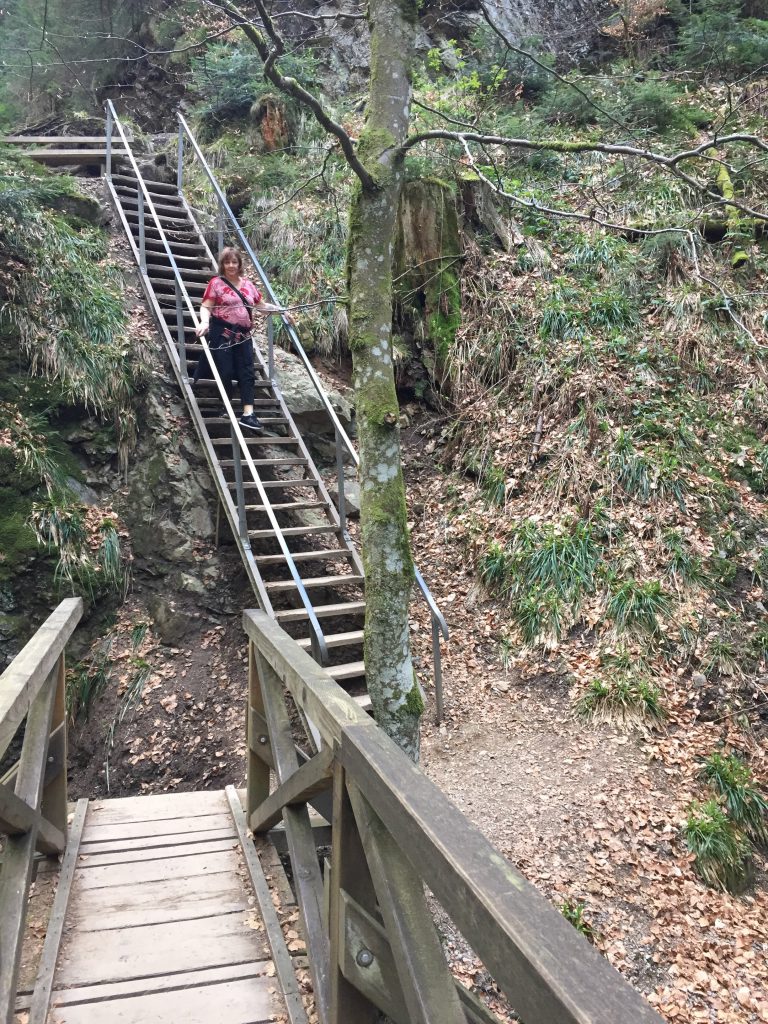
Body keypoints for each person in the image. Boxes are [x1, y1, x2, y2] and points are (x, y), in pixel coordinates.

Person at [195, 247, 292, 434]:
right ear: (222, 265)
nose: (231, 265)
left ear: (239, 264)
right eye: (227, 262)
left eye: (234, 262)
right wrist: (204, 322)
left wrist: (282, 311)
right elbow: (206, 306)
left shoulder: (248, 285)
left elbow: (261, 306)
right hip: (222, 333)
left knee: (247, 373)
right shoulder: (216, 283)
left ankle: (249, 414)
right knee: (225, 370)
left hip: (244, 336)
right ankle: (226, 405)